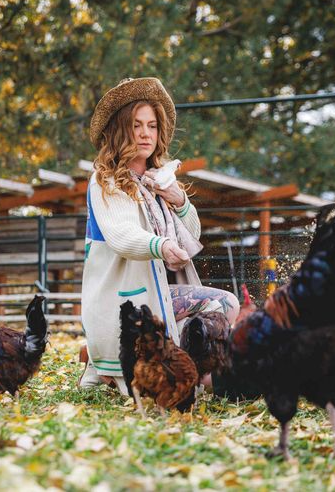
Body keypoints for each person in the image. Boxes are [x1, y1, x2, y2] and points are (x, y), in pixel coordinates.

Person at [80, 77, 239, 394]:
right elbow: (121, 235)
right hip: (122, 299)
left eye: (152, 126)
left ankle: (174, 366)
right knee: (180, 377)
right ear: (120, 130)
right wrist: (161, 245)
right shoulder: (106, 180)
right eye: (136, 125)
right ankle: (108, 365)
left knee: (226, 306)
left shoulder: (157, 180)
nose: (144, 134)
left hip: (152, 292)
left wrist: (178, 199)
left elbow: (191, 236)